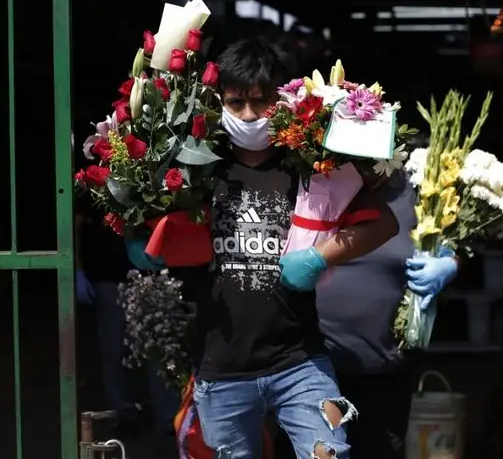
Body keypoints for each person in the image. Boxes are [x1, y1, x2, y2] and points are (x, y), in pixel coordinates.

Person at [130, 37, 400, 459]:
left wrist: (320, 256)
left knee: (329, 453)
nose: (250, 115)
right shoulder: (196, 169)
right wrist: (140, 240)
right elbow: (151, 219)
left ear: (284, 98)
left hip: (303, 364)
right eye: (236, 103)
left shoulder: (312, 167)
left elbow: (384, 223)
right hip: (220, 372)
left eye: (262, 101)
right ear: (217, 101)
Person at [273, 150, 462, 459]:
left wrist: (450, 265)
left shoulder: (416, 193)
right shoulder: (318, 184)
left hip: (383, 374)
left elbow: (450, 244)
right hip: (311, 370)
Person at [75, 209, 178, 439]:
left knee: (159, 348)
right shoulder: (93, 179)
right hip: (108, 273)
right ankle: (123, 413)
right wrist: (78, 270)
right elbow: (76, 224)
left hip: (151, 270)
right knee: (114, 347)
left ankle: (167, 416)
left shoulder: (154, 176)